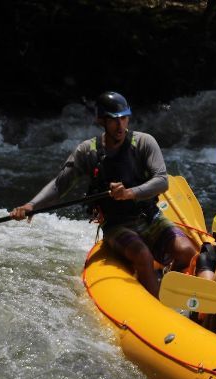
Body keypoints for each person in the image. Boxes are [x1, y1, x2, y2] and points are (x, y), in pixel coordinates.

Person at [10, 91, 196, 296]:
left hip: (151, 217)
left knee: (187, 251)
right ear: (101, 120)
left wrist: (129, 193)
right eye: (114, 120)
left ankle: (170, 286)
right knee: (142, 255)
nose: (120, 125)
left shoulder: (144, 142)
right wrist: (31, 205)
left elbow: (162, 181)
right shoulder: (88, 151)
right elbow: (59, 185)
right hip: (117, 225)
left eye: (124, 118)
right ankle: (157, 302)